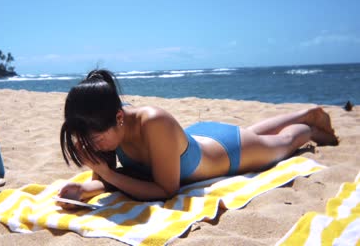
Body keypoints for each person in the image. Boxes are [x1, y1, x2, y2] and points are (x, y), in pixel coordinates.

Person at [58, 69, 338, 208]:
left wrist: (106, 173)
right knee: (253, 133)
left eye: (96, 140)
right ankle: (305, 113)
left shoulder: (153, 120)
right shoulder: (103, 117)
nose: (94, 146)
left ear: (119, 118)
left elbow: (166, 190)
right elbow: (110, 175)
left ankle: (309, 126)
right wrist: (85, 191)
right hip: (194, 139)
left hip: (227, 152)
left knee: (283, 144)